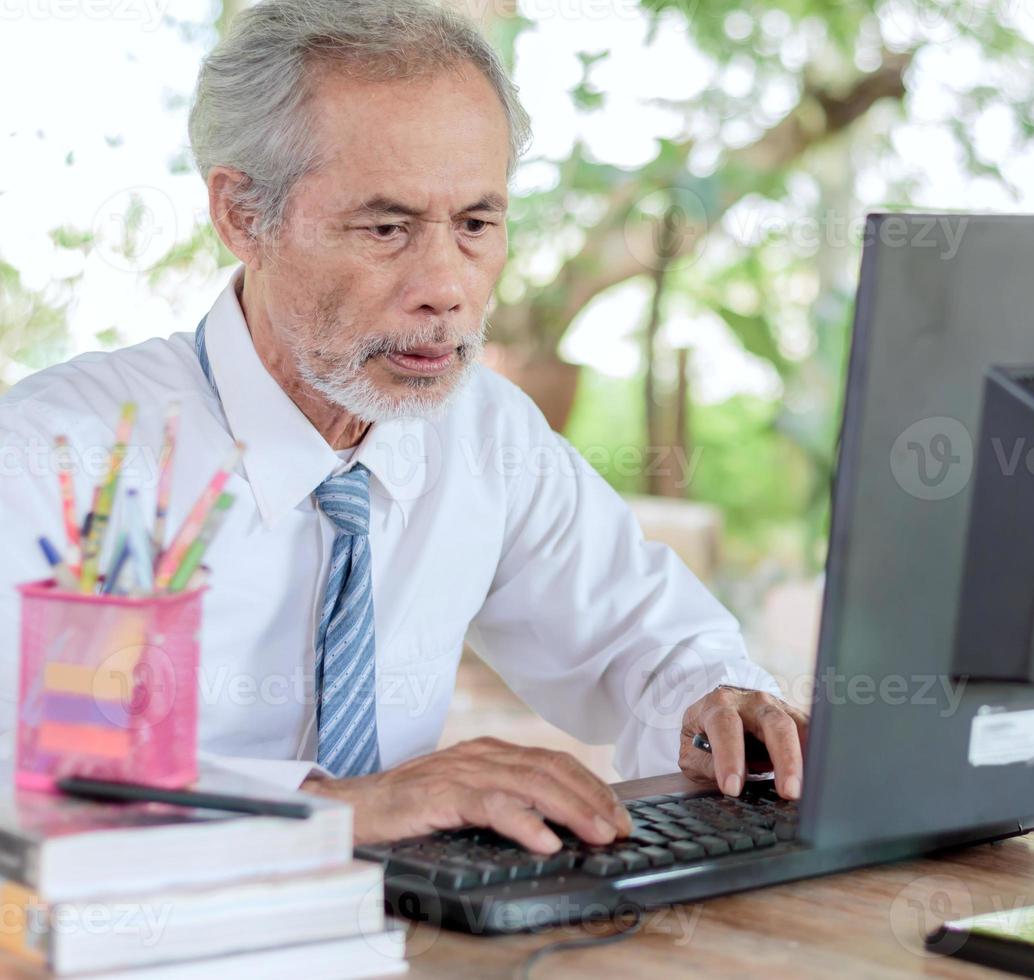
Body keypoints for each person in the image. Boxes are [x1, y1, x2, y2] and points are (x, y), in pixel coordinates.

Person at [0, 0, 806, 854]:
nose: (447, 287)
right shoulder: (57, 459)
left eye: (475, 225)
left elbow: (646, 643)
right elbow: (31, 785)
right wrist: (333, 810)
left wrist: (718, 703)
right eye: (387, 227)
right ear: (243, 216)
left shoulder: (485, 433)